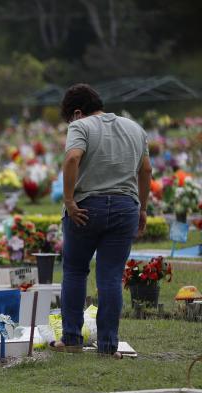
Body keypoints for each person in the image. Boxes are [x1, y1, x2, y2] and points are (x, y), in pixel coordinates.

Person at [50, 83, 151, 359]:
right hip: (125, 207)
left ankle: (71, 338)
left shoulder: (80, 126)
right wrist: (142, 209)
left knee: (74, 270)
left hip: (87, 207)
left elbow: (72, 158)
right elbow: (146, 170)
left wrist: (69, 201)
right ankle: (107, 345)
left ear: (77, 112)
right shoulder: (135, 129)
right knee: (110, 276)